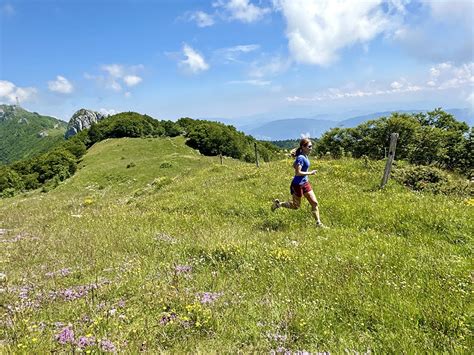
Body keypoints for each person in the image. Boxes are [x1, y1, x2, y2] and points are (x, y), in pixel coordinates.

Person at [271, 138, 327, 228]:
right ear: (303, 147)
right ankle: (279, 204)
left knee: (314, 203)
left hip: (305, 183)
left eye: (311, 146)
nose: (311, 148)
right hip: (297, 185)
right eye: (309, 146)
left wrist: (300, 168)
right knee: (296, 206)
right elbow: (298, 172)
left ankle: (318, 223)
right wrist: (310, 173)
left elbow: (294, 165)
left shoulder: (304, 155)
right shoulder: (301, 157)